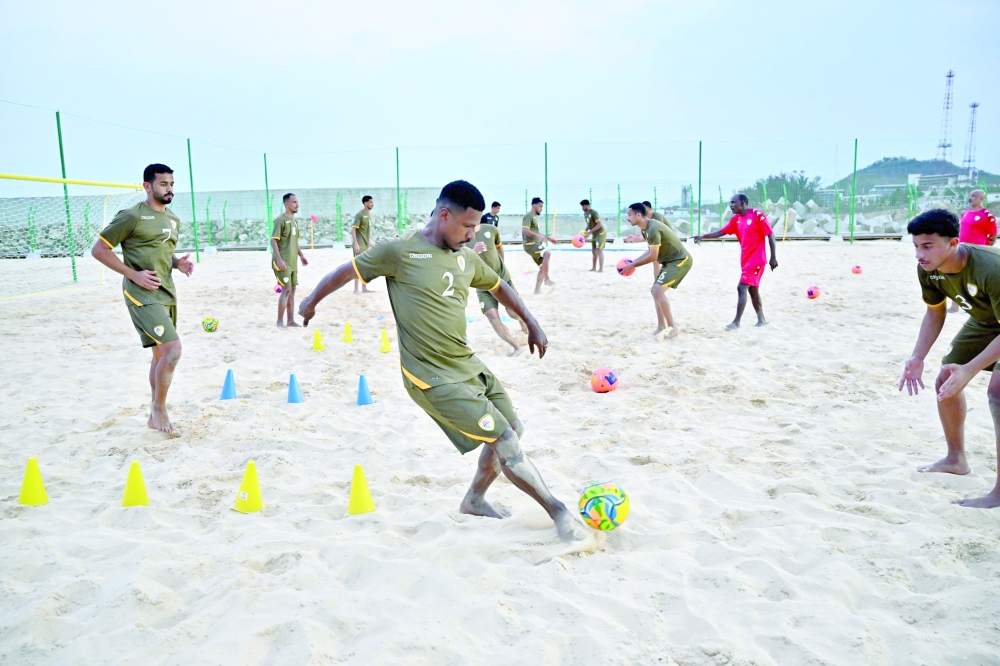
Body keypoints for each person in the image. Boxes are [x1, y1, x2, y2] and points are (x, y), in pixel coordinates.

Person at [299, 180, 589, 543]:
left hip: (466, 364)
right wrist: (311, 300)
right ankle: (560, 513)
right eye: (467, 226)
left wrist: (531, 322)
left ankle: (474, 499)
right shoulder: (400, 252)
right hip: (430, 375)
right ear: (444, 214)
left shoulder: (467, 257)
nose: (472, 233)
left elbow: (498, 285)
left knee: (513, 426)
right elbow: (346, 271)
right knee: (506, 441)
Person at [899, 208, 1000, 509]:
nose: (919, 253)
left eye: (927, 245)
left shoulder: (991, 269)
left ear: (953, 243)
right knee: (946, 378)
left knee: (997, 394)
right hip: (986, 323)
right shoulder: (928, 269)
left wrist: (970, 369)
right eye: (916, 245)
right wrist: (917, 357)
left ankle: (998, 493)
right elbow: (935, 312)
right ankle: (956, 459)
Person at [90, 164, 194, 434]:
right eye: (163, 184)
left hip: (167, 293)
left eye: (171, 183)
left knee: (160, 355)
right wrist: (132, 275)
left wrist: (177, 264)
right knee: (174, 351)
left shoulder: (172, 219)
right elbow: (99, 250)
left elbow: (160, 253)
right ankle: (158, 408)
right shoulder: (131, 216)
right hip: (141, 295)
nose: (169, 188)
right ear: (147, 186)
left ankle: (153, 412)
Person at [694, 193, 778, 329]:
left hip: (757, 260)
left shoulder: (757, 215)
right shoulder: (736, 219)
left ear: (743, 203)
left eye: (733, 202)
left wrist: (773, 257)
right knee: (753, 290)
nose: (731, 205)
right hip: (745, 260)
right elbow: (721, 232)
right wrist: (704, 236)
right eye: (730, 203)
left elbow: (770, 235)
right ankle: (761, 320)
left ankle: (736, 322)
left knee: (741, 287)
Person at [623, 203, 691, 339]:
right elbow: (650, 250)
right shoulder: (645, 228)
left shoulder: (653, 228)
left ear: (638, 215)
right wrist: (633, 262)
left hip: (680, 260)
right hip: (669, 261)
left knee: (657, 291)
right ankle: (661, 326)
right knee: (655, 291)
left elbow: (653, 256)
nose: (627, 218)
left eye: (629, 215)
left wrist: (634, 265)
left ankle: (673, 328)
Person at [472, 215, 529, 354]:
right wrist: (473, 252)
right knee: (492, 318)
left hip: (501, 280)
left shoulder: (491, 230)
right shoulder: (459, 237)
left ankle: (525, 328)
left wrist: (502, 266)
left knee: (512, 313)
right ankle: (517, 347)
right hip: (483, 285)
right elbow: (460, 262)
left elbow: (499, 248)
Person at [950, 190, 997, 311]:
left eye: (974, 196)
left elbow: (993, 234)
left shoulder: (987, 215)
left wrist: (985, 247)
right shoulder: (965, 213)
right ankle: (955, 306)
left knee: (976, 279)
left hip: (977, 252)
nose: (970, 197)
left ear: (981, 198)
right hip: (961, 249)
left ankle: (980, 305)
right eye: (970, 195)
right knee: (957, 275)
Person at [271, 193, 309, 328]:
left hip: (293, 262)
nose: (297, 204)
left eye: (297, 202)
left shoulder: (294, 221)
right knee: (286, 290)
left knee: (292, 291)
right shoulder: (280, 220)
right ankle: (279, 321)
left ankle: (291, 321)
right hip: (282, 262)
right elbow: (273, 241)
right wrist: (279, 260)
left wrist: (301, 255)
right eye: (294, 202)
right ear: (286, 204)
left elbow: (294, 242)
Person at [522, 197, 557, 294]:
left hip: (534, 244)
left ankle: (537, 291)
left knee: (542, 267)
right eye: (540, 206)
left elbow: (537, 232)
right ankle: (547, 279)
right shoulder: (528, 216)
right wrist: (537, 235)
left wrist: (550, 239)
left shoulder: (534, 217)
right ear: (534, 205)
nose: (541, 208)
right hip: (530, 244)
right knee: (547, 253)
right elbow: (524, 230)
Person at [351, 195, 374, 294]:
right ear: (365, 203)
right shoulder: (360, 214)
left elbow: (365, 231)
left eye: (372, 202)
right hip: (359, 244)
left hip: (365, 244)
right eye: (370, 202)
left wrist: (369, 242)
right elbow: (353, 230)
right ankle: (356, 289)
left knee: (365, 266)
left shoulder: (369, 215)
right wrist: (356, 244)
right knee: (357, 266)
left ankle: (364, 288)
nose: (372, 204)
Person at [580, 199, 605, 272]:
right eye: (582, 206)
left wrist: (589, 232)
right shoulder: (585, 214)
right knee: (594, 251)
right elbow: (589, 224)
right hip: (594, 234)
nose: (582, 208)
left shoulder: (594, 212)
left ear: (588, 205)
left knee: (599, 250)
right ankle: (594, 268)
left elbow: (599, 224)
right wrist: (584, 231)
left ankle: (600, 269)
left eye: (584, 206)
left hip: (600, 233)